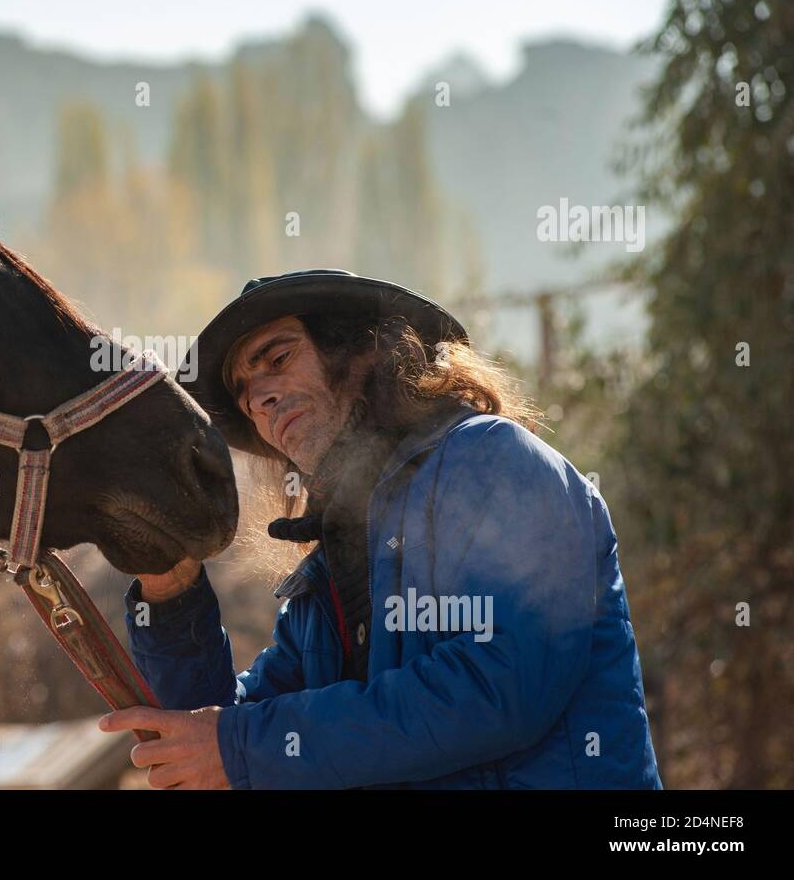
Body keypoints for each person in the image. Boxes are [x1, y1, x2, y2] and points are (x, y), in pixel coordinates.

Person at [99, 269, 662, 789]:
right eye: (245, 394)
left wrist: (241, 746)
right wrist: (170, 593)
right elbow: (212, 735)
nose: (259, 399)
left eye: (277, 358)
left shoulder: (495, 460)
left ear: (360, 348)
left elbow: (500, 688)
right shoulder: (332, 566)